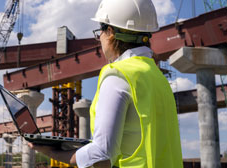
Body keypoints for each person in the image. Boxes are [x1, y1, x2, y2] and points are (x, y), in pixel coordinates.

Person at [28, 0, 183, 167]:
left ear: (110, 32)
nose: (99, 39)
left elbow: (102, 154)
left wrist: (51, 152)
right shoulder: (158, 77)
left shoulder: (118, 75)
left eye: (99, 32)